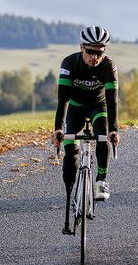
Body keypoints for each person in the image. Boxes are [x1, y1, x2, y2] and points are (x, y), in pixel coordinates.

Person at [51, 25, 120, 203]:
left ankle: (101, 181)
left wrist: (114, 129)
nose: (95, 57)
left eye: (100, 52)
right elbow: (63, 99)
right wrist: (58, 128)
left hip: (98, 106)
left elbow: (112, 100)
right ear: (82, 47)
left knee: (103, 136)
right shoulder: (69, 63)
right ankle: (70, 193)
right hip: (75, 108)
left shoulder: (108, 66)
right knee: (70, 153)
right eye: (90, 51)